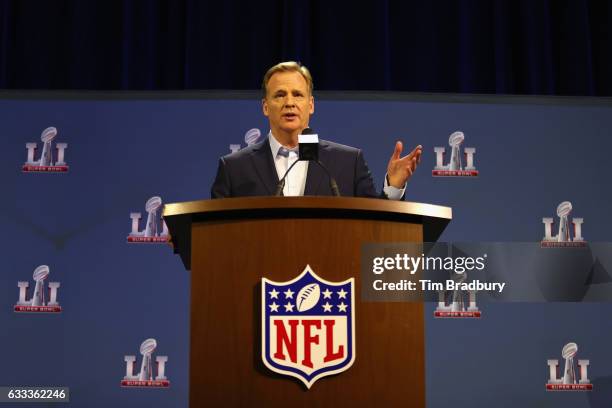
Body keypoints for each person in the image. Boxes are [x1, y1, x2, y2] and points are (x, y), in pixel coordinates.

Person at [211, 61, 422, 199]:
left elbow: (375, 224)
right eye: (279, 95)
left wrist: (393, 187)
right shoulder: (234, 168)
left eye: (297, 94)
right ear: (266, 106)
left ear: (310, 105)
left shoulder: (348, 163)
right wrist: (183, 235)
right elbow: (213, 232)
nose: (289, 102)